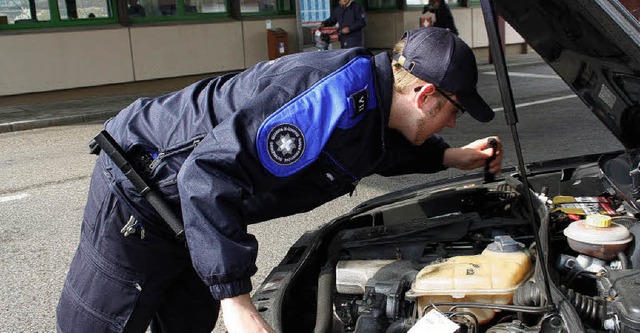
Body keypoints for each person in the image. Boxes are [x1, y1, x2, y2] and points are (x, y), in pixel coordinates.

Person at [56, 27, 502, 332]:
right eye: (454, 111)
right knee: (108, 319)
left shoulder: (376, 96)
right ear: (425, 94)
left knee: (187, 319)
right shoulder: (327, 96)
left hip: (198, 213)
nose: (452, 122)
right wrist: (237, 301)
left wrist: (449, 156)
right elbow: (208, 172)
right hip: (144, 187)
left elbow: (373, 148)